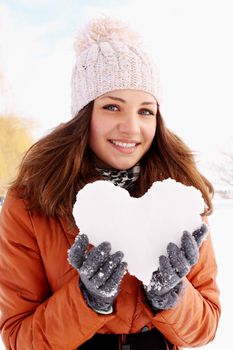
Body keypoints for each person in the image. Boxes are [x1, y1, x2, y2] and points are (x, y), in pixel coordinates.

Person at [0, 16, 220, 350]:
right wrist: (87, 299)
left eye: (146, 111)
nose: (131, 128)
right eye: (112, 106)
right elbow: (18, 337)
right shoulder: (30, 202)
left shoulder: (178, 196)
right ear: (83, 115)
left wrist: (172, 297)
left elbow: (205, 329)